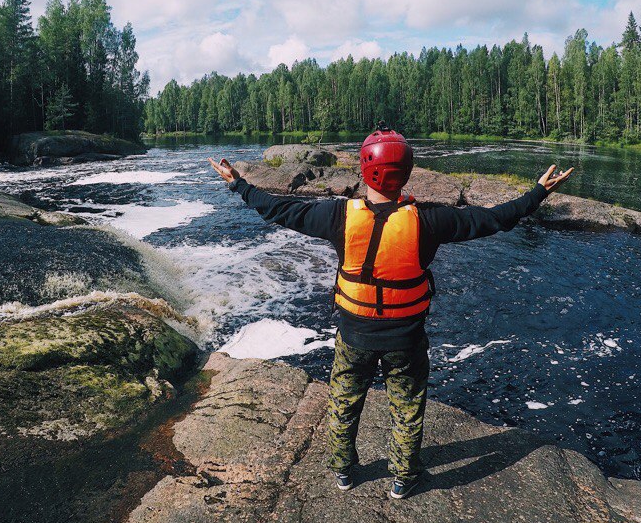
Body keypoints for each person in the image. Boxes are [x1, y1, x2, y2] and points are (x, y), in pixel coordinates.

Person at [209, 125, 573, 500]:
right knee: (407, 409)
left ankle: (344, 472)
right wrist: (538, 193)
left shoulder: (336, 216)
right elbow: (495, 219)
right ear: (408, 172)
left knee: (344, 404)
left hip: (354, 335)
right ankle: (404, 478)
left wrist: (239, 183)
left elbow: (280, 210)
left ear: (365, 171)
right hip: (406, 338)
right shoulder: (431, 220)